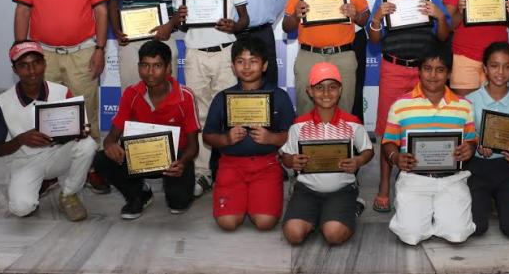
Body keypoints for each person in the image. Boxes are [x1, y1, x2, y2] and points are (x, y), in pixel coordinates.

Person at [12, 0, 108, 192]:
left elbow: (101, 13)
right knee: (45, 113)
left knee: (86, 111)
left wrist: (100, 49)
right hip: (43, 55)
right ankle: (48, 171)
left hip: (83, 52)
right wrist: (22, 52)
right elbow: (23, 11)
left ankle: (91, 167)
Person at [368, 0, 451, 213]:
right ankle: (384, 186)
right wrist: (377, 18)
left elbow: (443, 36)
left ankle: (421, 178)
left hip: (424, 73)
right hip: (393, 69)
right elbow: (374, 40)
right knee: (389, 129)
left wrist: (439, 16)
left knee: (423, 124)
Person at [175, 0, 249, 196]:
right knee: (199, 115)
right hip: (196, 54)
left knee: (231, 112)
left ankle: (233, 170)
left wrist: (234, 26)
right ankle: (202, 173)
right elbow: (182, 26)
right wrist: (181, 19)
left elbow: (245, 19)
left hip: (226, 51)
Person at [0, 41, 97, 221]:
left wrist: (79, 131)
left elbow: (75, 130)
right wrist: (21, 139)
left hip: (57, 155)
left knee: (88, 144)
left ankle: (69, 194)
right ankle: (39, 183)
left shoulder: (62, 92)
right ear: (15, 69)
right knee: (21, 208)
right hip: (25, 161)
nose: (32, 70)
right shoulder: (2, 102)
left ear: (44, 64)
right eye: (24, 65)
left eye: (36, 63)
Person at [382, 45, 477, 245]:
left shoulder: (464, 106)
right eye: (427, 68)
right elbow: (388, 142)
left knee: (458, 234)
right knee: (411, 235)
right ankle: (425, 214)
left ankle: (437, 214)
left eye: (440, 70)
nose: (433, 75)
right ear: (419, 71)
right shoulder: (400, 105)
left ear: (449, 73)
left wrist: (470, 148)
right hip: (414, 179)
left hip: (451, 179)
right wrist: (395, 157)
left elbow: (471, 140)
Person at [93, 40, 200, 219]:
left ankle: (173, 186)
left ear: (168, 68)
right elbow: (112, 136)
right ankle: (138, 194)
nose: (150, 72)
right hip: (140, 157)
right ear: (138, 67)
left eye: (157, 66)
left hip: (175, 159)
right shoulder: (131, 93)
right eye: (145, 65)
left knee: (178, 204)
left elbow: (193, 146)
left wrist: (182, 162)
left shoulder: (185, 96)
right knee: (101, 159)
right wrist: (110, 144)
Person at [203, 37, 295, 231]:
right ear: (233, 66)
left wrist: (271, 138)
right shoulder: (222, 98)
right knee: (227, 223)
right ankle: (241, 200)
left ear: (264, 65)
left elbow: (293, 135)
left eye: (253, 61)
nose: (246, 67)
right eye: (240, 61)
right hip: (230, 165)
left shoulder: (279, 96)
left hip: (266, 165)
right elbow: (207, 136)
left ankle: (255, 200)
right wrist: (226, 139)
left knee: (265, 222)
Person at [281, 62, 374, 245]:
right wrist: (293, 161)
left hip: (341, 190)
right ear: (309, 91)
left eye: (332, 87)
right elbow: (286, 157)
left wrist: (358, 161)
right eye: (319, 88)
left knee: (333, 235)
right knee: (293, 234)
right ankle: (321, 215)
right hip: (306, 190)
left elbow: (368, 151)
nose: (326, 93)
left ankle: (350, 208)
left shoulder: (352, 123)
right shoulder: (299, 125)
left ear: (340, 90)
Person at [283, 0, 370, 115]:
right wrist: (296, 15)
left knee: (344, 111)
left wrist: (355, 14)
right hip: (309, 55)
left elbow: (365, 19)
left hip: (343, 55)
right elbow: (286, 26)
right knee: (306, 111)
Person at [466, 42, 509, 238]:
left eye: (507, 66)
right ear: (485, 68)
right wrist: (476, 142)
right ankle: (488, 200)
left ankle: (502, 200)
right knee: (476, 228)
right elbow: (466, 136)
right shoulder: (470, 100)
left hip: (507, 168)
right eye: (494, 66)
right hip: (478, 168)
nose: (500, 72)